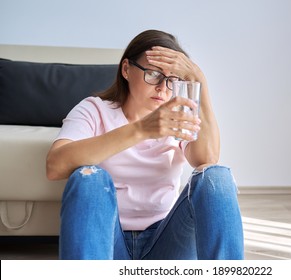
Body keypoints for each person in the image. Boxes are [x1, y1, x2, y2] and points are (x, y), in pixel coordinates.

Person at [46, 29, 244, 260]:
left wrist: (200, 81)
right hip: (109, 243)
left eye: (173, 80)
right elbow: (55, 167)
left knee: (216, 176)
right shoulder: (94, 110)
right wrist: (142, 129)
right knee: (88, 177)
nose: (163, 88)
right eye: (153, 74)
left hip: (167, 243)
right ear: (126, 69)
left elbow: (207, 160)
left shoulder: (178, 115)